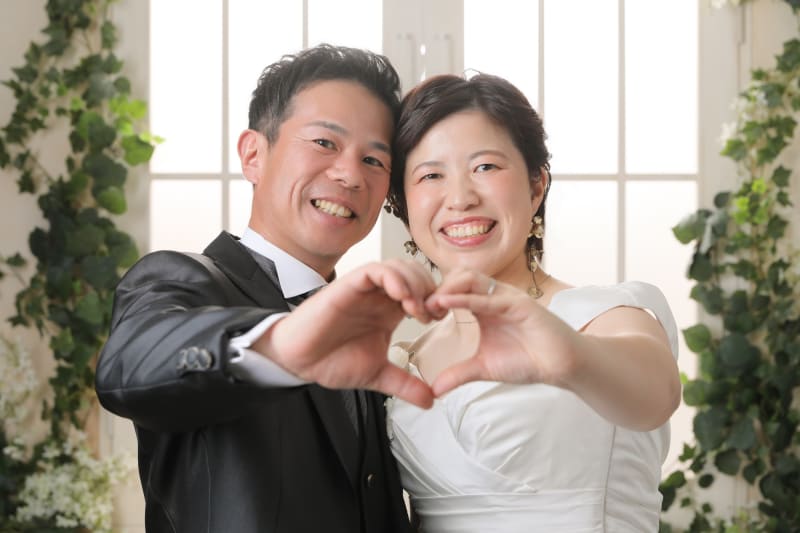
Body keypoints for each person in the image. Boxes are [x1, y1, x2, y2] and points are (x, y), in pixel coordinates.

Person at [95, 44, 438, 533]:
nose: (349, 174)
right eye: (324, 142)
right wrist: (282, 345)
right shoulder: (180, 280)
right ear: (254, 155)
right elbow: (130, 366)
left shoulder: (362, 336)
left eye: (373, 160)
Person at [383, 73, 682, 532]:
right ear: (404, 205)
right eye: (431, 175)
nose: (460, 198)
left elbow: (656, 395)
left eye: (485, 167)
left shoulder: (606, 315)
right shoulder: (409, 357)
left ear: (536, 185)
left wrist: (570, 357)